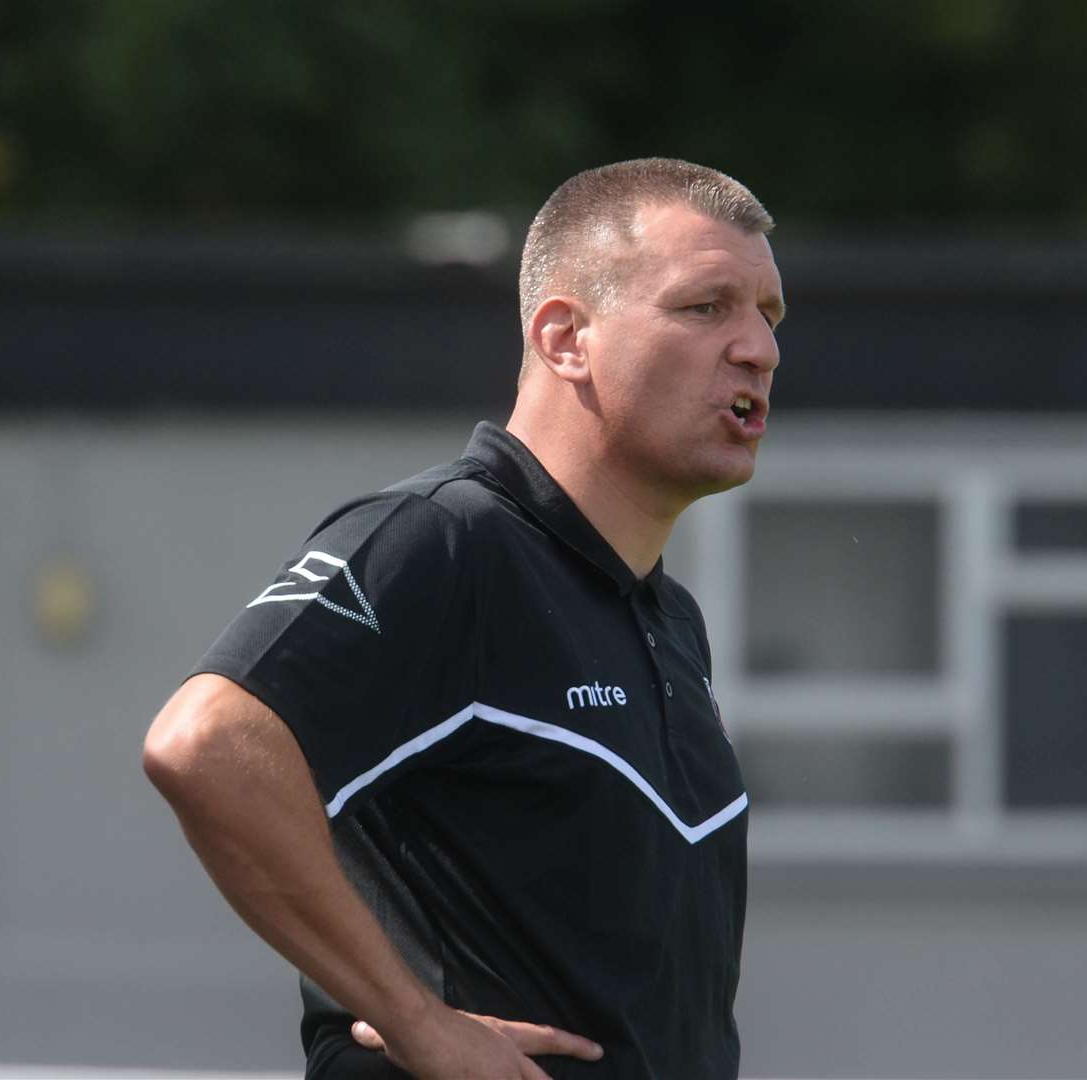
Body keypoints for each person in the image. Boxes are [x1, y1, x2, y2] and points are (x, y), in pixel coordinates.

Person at [143, 157, 784, 1080]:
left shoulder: (669, 619)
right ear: (565, 338)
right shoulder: (444, 541)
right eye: (706, 307)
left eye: (768, 317)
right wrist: (413, 1019)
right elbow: (206, 745)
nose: (758, 349)